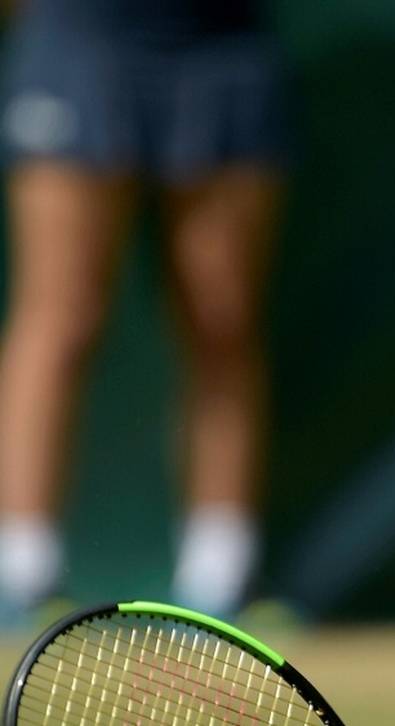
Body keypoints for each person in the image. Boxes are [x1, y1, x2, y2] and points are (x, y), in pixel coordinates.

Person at [0, 0, 284, 618]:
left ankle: (221, 579)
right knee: (60, 316)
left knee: (222, 317)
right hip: (77, 37)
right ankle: (21, 573)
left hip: (220, 48)